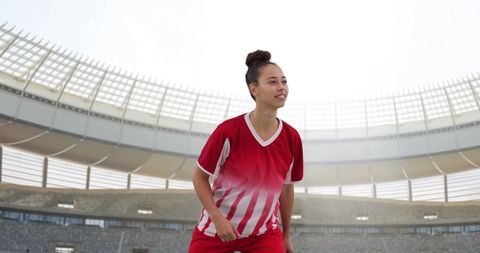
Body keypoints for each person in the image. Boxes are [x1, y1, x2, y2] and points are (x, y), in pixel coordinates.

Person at [188, 50, 303, 253]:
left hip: (264, 234)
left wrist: (285, 236)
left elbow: (286, 189)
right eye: (272, 82)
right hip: (217, 229)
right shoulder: (229, 131)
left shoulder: (292, 138)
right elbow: (199, 177)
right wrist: (217, 217)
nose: (281, 87)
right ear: (254, 89)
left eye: (284, 81)